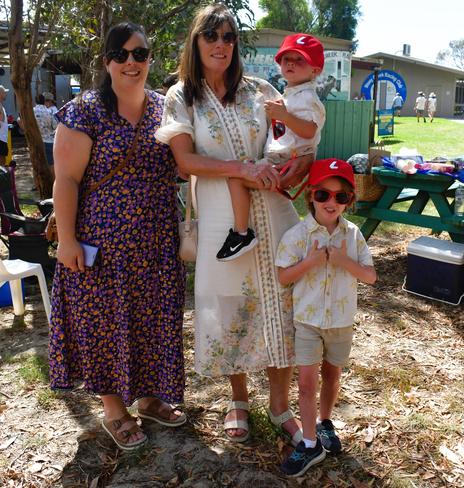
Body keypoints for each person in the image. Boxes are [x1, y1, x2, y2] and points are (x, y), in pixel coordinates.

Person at [156, 3, 313, 447]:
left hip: (274, 213)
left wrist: (297, 168)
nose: (221, 45)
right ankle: (239, 399)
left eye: (228, 37)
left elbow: (298, 143)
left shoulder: (261, 90)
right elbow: (184, 160)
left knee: (281, 306)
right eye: (212, 36)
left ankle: (280, 405)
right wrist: (241, 170)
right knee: (230, 309)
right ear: (196, 42)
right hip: (223, 222)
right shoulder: (180, 98)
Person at [49, 21, 186, 452]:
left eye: (140, 54)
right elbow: (66, 180)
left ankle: (148, 397)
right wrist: (66, 240)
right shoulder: (86, 110)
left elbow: (185, 164)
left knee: (153, 321)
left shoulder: (166, 108)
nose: (132, 62)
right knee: (104, 326)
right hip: (102, 247)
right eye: (121, 54)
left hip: (157, 245)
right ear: (107, 61)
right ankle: (113, 410)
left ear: (149, 60)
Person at [276, 158, 376, 477]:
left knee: (332, 374)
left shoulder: (354, 235)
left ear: (349, 200)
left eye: (340, 196)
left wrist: (344, 260)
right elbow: (283, 276)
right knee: (306, 383)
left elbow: (370, 276)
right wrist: (313, 260)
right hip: (307, 320)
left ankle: (325, 422)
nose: (331, 202)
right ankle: (308, 443)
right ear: (311, 196)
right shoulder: (297, 235)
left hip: (341, 322)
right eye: (323, 195)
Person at [217, 33, 325, 261]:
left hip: (286, 162)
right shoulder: (290, 93)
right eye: (287, 59)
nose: (291, 64)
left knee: (236, 177)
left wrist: (284, 116)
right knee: (239, 172)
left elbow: (310, 131)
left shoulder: (308, 97)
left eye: (300, 60)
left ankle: (241, 233)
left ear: (315, 70)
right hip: (278, 159)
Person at [33, 93, 57, 177]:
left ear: (35, 101)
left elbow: (19, 120)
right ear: (44, 101)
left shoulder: (32, 111)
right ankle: (53, 183)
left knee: (36, 164)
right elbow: (55, 126)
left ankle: (37, 184)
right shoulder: (49, 112)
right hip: (49, 141)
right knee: (51, 164)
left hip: (36, 141)